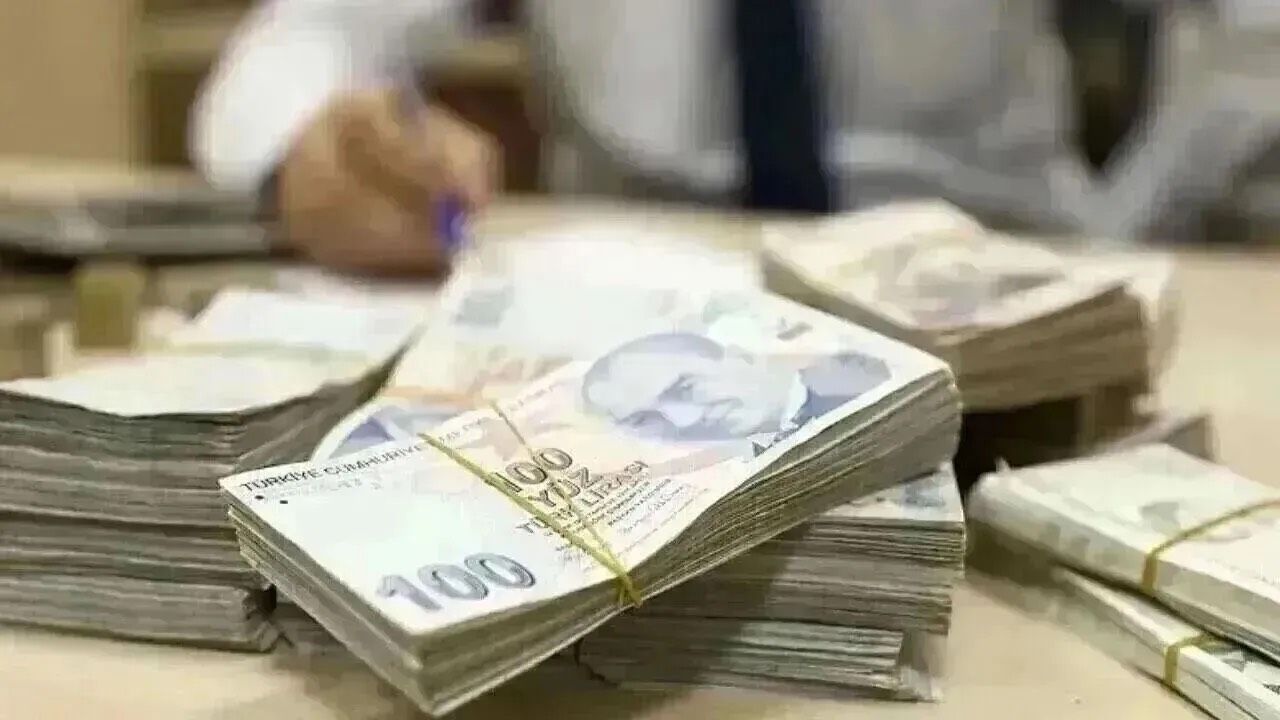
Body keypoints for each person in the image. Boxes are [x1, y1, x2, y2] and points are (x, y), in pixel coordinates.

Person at [192, 0, 1099, 276]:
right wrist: (310, 152)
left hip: (1000, 260)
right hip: (636, 291)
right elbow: (303, 35)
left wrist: (1136, 225)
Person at [579, 332, 890, 443]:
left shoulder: (862, 382)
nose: (684, 421)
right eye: (643, 419)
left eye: (685, 388)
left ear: (741, 357)